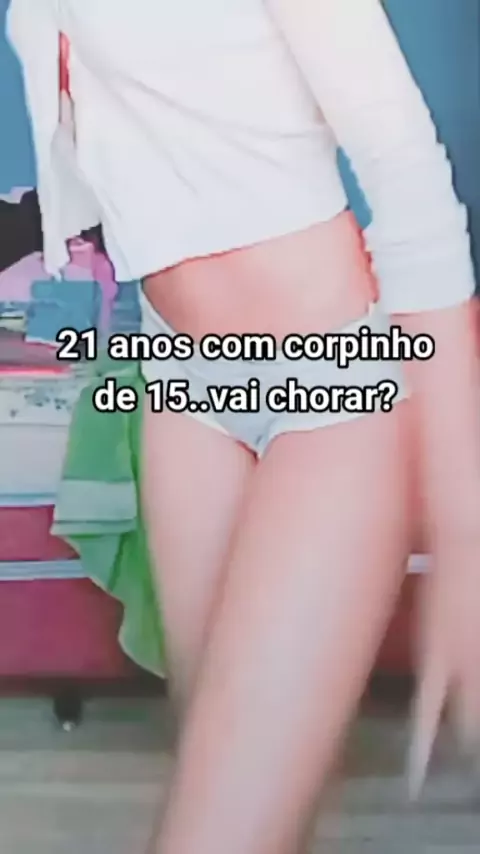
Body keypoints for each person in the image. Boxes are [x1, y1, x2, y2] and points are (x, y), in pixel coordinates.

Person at [7, 1, 480, 851]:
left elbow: (411, 180)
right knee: (236, 792)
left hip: (331, 391)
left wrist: (465, 538)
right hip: (183, 387)